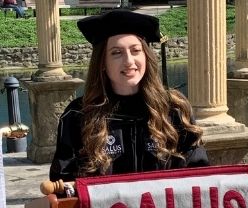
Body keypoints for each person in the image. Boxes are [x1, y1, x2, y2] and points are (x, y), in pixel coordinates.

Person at [49, 9, 209, 182]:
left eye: (135, 50)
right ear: (102, 63)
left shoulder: (174, 109)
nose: (129, 61)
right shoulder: (78, 116)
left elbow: (199, 174)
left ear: (146, 56)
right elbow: (63, 183)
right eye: (116, 53)